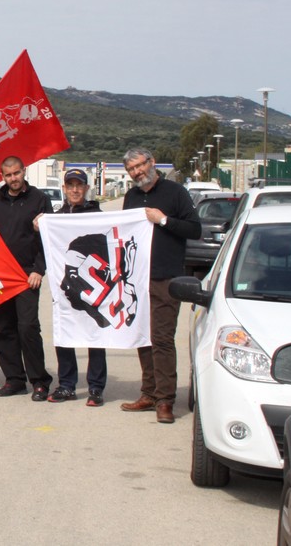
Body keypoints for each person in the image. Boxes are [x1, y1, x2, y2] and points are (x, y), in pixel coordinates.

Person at [120, 148, 201, 424]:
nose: (136, 172)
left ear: (151, 163)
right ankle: (149, 393)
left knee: (162, 338)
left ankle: (165, 400)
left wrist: (163, 220)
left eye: (139, 166)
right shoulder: (131, 197)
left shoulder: (175, 192)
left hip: (166, 277)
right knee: (143, 336)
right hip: (137, 278)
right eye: (131, 169)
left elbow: (195, 229)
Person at [0, 155, 54, 400]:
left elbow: (48, 238)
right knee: (3, 328)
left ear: (23, 171)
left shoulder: (39, 199)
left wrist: (39, 269)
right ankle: (14, 379)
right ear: (2, 176)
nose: (13, 178)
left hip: (27, 274)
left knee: (27, 327)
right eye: (8, 175)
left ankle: (39, 381)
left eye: (16, 173)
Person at [43, 168, 108, 407]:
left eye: (79, 185)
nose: (74, 189)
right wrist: (40, 226)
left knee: (95, 333)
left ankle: (96, 387)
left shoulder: (98, 215)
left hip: (94, 285)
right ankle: (67, 385)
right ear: (64, 189)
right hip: (65, 288)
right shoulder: (57, 218)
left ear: (86, 188)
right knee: (65, 334)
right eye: (70, 185)